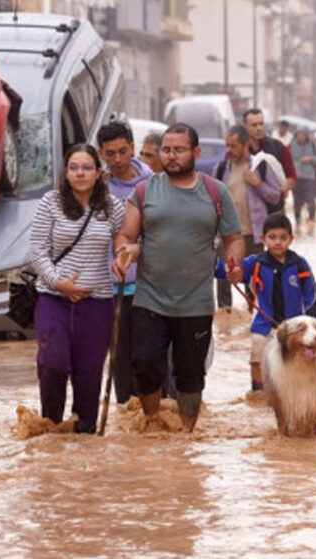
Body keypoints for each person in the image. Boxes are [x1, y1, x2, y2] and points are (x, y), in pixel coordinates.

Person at [114, 123, 246, 432]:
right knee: (145, 366)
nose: (171, 157)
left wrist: (234, 262)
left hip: (196, 302)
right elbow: (126, 235)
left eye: (179, 150)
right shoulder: (145, 190)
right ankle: (151, 423)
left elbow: (235, 238)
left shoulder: (215, 192)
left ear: (196, 153)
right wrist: (125, 252)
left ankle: (187, 433)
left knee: (190, 376)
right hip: (150, 299)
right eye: (167, 150)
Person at [28, 143, 126, 433]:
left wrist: (122, 258)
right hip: (53, 299)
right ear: (66, 172)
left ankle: (84, 437)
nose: (80, 173)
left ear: (98, 173)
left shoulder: (113, 207)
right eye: (74, 168)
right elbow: (37, 251)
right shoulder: (51, 202)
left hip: (97, 304)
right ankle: (51, 428)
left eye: (86, 168)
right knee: (52, 363)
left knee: (90, 374)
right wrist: (58, 282)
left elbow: (126, 240)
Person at [216, 213, 316, 391]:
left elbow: (311, 292)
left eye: (283, 238)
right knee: (257, 360)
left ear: (291, 239)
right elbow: (231, 272)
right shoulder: (255, 264)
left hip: (294, 328)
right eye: (272, 237)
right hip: (264, 325)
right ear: (263, 239)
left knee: (297, 363)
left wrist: (310, 320)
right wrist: (225, 268)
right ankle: (258, 394)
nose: (278, 242)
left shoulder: (300, 265)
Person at [96, 121, 153, 404]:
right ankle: (125, 414)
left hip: (148, 286)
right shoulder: (97, 188)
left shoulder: (152, 184)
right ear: (101, 154)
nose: (117, 159)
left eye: (122, 151)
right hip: (111, 286)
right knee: (119, 359)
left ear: (132, 148)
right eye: (110, 154)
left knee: (148, 356)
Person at [213, 124, 282, 310]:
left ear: (246, 145)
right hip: (227, 233)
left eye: (233, 145)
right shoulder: (221, 168)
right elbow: (212, 200)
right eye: (227, 145)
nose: (229, 150)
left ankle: (253, 315)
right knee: (223, 278)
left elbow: (275, 196)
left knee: (254, 279)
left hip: (254, 233)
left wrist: (258, 184)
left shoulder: (260, 166)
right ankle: (225, 317)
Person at [243, 109, 296, 213]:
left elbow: (292, 176)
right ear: (245, 126)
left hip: (274, 209)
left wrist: (282, 190)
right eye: (254, 125)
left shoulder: (278, 148)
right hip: (248, 211)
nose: (258, 128)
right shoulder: (240, 150)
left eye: (261, 124)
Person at [289, 127, 316, 227]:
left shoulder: (312, 145)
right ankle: (297, 222)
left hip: (309, 177)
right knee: (297, 202)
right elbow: (286, 159)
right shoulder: (291, 145)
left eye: (303, 134)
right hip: (296, 177)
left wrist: (311, 158)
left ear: (307, 135)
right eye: (299, 134)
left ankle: (312, 221)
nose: (301, 136)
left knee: (310, 200)